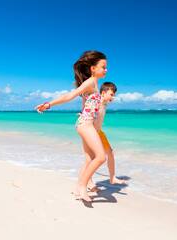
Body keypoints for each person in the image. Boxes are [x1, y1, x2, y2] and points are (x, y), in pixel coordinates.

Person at [35, 50, 107, 203]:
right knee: (101, 157)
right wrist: (49, 104)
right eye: (103, 67)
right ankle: (82, 185)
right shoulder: (90, 83)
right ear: (93, 68)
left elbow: (86, 104)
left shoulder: (94, 84)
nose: (106, 70)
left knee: (89, 158)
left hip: (86, 124)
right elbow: (70, 95)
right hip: (85, 125)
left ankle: (78, 189)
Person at [85, 82, 126, 192]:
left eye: (114, 95)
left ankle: (112, 177)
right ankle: (88, 182)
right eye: (111, 94)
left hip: (100, 132)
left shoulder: (105, 103)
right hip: (91, 132)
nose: (113, 97)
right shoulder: (97, 101)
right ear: (103, 93)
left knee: (110, 153)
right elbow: (88, 102)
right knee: (91, 158)